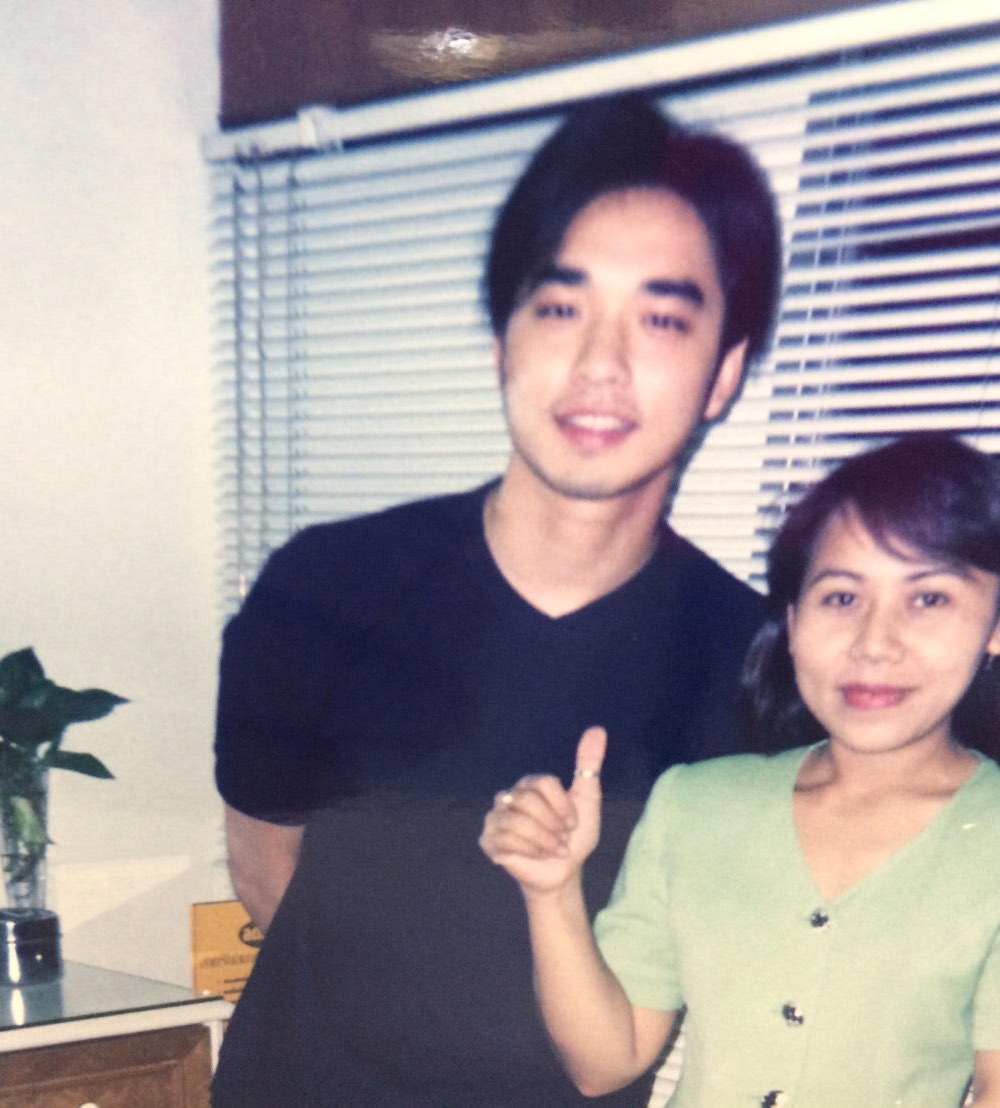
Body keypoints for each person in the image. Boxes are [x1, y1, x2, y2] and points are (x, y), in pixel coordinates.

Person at [211, 94, 783, 1106]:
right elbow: (266, 874)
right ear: (501, 340)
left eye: (661, 319)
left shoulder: (755, 664)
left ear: (724, 373)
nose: (600, 365)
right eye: (560, 308)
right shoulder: (325, 586)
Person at [481, 433, 1000, 1106]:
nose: (874, 645)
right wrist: (552, 893)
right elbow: (605, 1063)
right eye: (841, 598)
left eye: (929, 599)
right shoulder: (695, 804)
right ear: (792, 618)